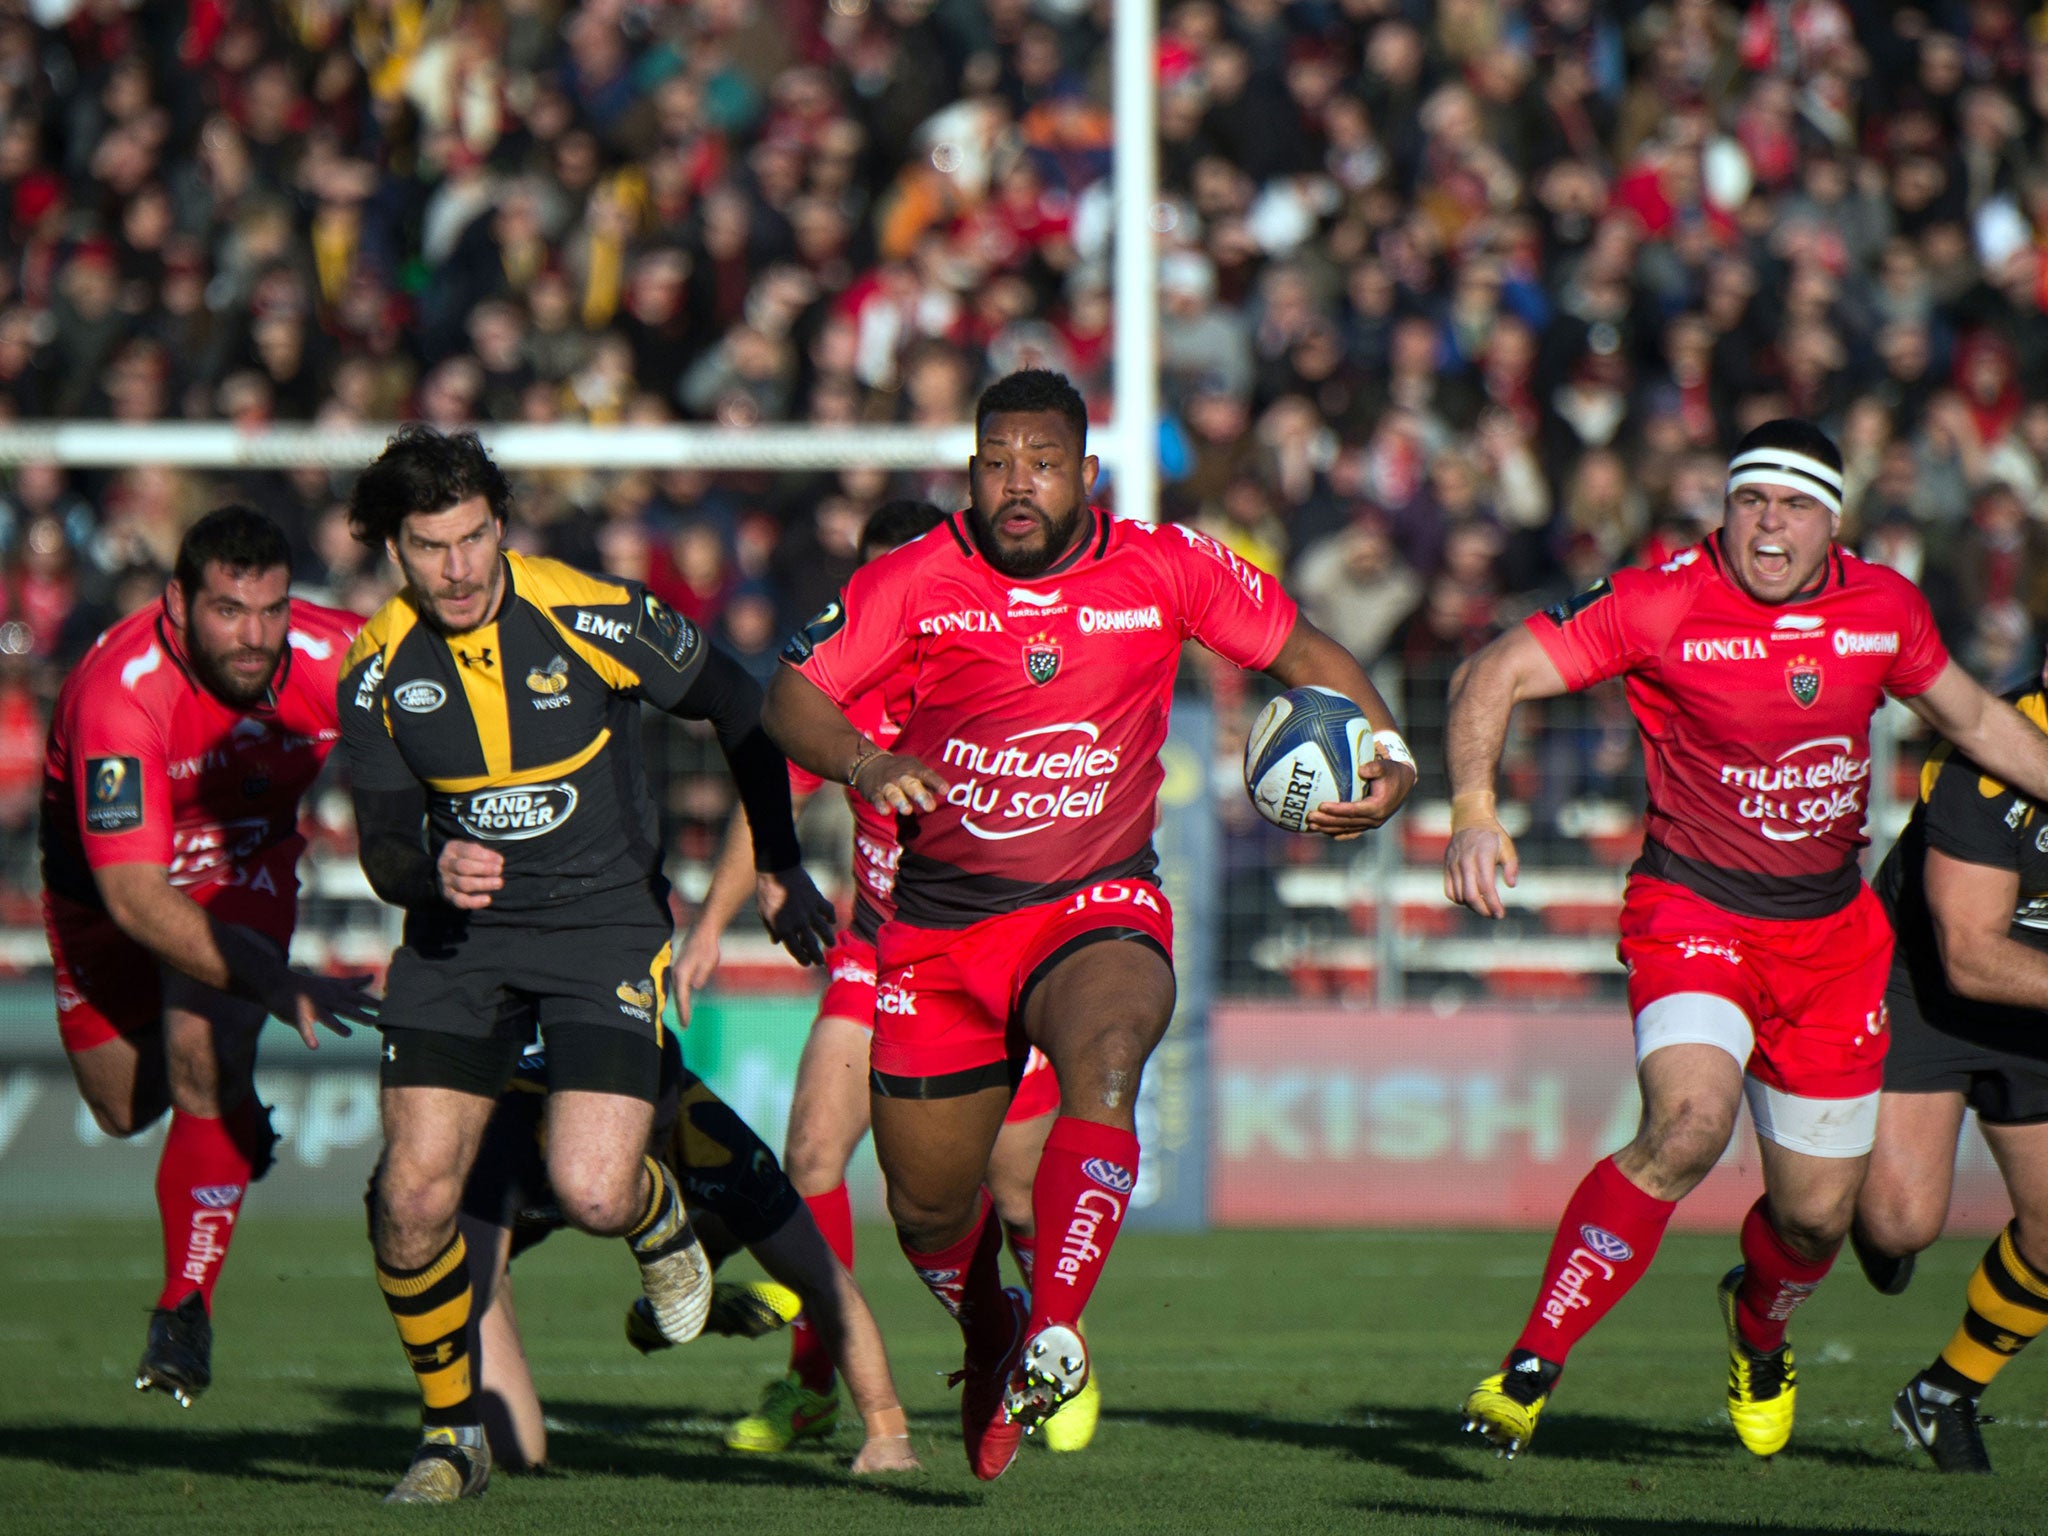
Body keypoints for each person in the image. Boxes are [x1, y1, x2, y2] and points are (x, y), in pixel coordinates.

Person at [763, 368, 1416, 1480]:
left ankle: (1057, 1327)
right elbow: (789, 693)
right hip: (936, 933)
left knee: (1110, 1053)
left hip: (1092, 900)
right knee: (925, 1211)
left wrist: (1392, 758)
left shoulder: (1163, 564)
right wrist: (867, 760)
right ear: (969, 470)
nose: (1017, 486)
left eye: (1042, 465)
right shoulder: (913, 580)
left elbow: (1304, 654)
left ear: (1086, 474)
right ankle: (994, 1328)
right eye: (995, 463)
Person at [1444, 419, 2048, 1461]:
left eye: (1794, 505)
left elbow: (1975, 722)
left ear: (1832, 522)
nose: (1769, 525)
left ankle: (1757, 1330)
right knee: (1685, 1127)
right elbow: (1493, 672)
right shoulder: (1657, 597)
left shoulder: (1882, 609)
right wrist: (1470, 805)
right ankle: (1528, 1366)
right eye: (1750, 501)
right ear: (1722, 509)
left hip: (1829, 942)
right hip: (1694, 914)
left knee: (1818, 1221)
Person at [337, 425, 834, 1504]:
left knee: (592, 1191)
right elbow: (379, 844)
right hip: (458, 944)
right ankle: (448, 1437)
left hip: (601, 929)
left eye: (474, 538)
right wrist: (427, 870)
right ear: (394, 551)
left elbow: (742, 708)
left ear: (502, 529)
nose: (458, 567)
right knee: (412, 1200)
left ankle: (654, 1216)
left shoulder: (593, 612)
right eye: (431, 546)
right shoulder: (374, 667)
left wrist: (779, 863)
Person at [677, 500, 1093, 1457]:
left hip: (991, 961)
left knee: (1017, 1192)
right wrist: (716, 920)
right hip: (879, 953)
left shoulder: (999, 676)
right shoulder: (848, 693)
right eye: (874, 588)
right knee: (813, 1155)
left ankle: (1054, 1343)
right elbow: (769, 803)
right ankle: (812, 1383)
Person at [38, 506, 374, 1407]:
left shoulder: (340, 655)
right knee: (121, 1107)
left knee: (200, 1044)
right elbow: (136, 898)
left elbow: (451, 716)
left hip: (243, 859)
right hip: (111, 889)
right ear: (177, 602)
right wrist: (274, 981)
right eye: (228, 610)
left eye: (270, 610)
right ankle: (229, 1104)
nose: (254, 636)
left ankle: (183, 1309)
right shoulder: (120, 693)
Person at [459, 1033, 920, 1476]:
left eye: (659, 1130)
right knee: (505, 1447)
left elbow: (824, 1280)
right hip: (465, 1256)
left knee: (743, 1210)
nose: (651, 1150)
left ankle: (678, 1304)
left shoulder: (709, 1132)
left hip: (661, 1204)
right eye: (637, 1135)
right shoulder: (514, 1122)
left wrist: (886, 1431)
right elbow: (461, 1263)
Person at [1852, 652, 2048, 1473]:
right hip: (1924, 989)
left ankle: (1941, 1396)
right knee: (1901, 1224)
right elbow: (1969, 955)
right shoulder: (1994, 751)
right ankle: (1814, 1205)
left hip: (2037, 1001)